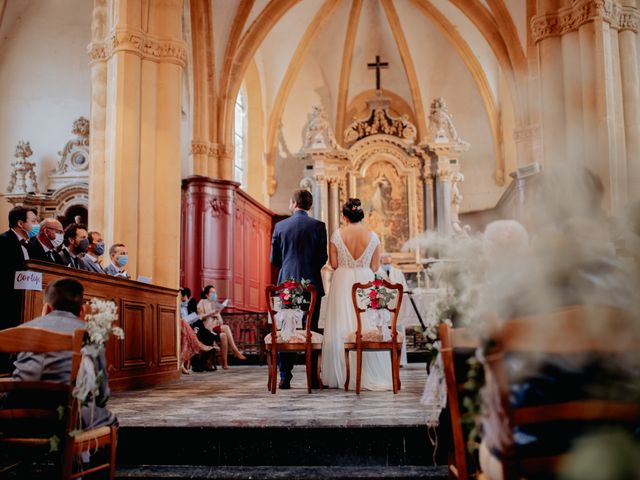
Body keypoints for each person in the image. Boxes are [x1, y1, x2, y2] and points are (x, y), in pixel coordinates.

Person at [9, 277, 117, 430]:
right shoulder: (91, 334)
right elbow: (101, 393)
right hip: (65, 416)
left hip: (19, 412)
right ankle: (76, 453)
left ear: (47, 308)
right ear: (82, 311)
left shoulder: (19, 331)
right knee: (110, 420)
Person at [321, 198, 392, 391]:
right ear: (361, 215)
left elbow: (334, 265)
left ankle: (342, 374)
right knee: (365, 323)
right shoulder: (373, 236)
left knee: (341, 325)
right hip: (364, 280)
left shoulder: (337, 235)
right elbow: (375, 266)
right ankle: (367, 371)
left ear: (344, 216)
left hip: (342, 280)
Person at [270, 189, 328, 389]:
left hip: (286, 283)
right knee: (310, 329)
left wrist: (289, 268)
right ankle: (313, 376)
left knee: (287, 329)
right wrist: (309, 270)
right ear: (309, 205)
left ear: (294, 203)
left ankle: (285, 377)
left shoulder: (280, 226)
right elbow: (323, 257)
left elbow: (274, 259)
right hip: (312, 285)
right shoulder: (319, 226)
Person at [0, 207, 38, 333]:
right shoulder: (3, 241)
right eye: (33, 222)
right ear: (21, 224)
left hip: (28, 304)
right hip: (7, 305)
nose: (37, 225)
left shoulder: (31, 246)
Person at [196, 285, 246, 369]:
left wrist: (218, 315)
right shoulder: (202, 302)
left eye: (215, 293)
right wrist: (211, 313)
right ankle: (235, 350)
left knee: (224, 336)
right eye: (212, 292)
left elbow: (221, 322)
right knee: (226, 327)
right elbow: (200, 317)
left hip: (215, 327)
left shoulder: (215, 304)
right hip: (207, 328)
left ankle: (225, 363)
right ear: (206, 294)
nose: (214, 294)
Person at [376, 252, 409, 366]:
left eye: (389, 263)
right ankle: (384, 362)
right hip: (383, 307)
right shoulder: (376, 273)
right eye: (385, 263)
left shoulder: (398, 272)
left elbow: (404, 288)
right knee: (382, 331)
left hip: (397, 306)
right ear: (381, 262)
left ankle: (400, 359)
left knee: (399, 329)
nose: (387, 265)